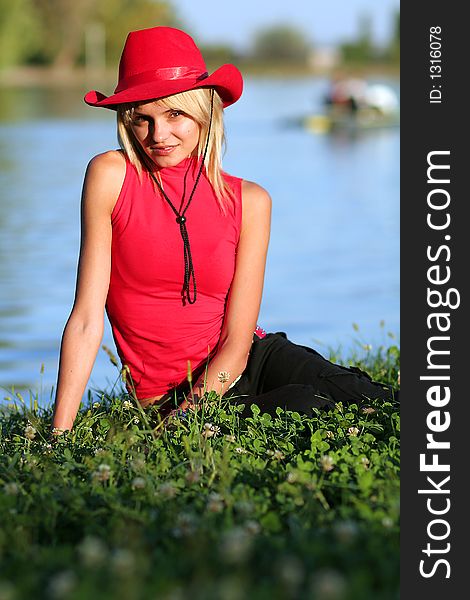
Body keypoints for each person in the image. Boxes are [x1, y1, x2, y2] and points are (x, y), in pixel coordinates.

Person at [52, 26, 397, 432]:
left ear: (203, 111)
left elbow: (237, 340)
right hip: (171, 392)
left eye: (174, 113)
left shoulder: (250, 201)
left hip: (251, 356)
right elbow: (86, 319)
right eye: (142, 119)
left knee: (361, 394)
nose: (158, 135)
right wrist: (59, 434)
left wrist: (192, 414)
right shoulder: (111, 176)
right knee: (305, 404)